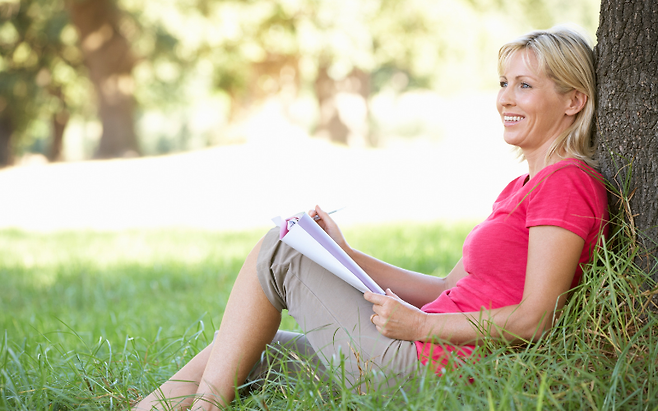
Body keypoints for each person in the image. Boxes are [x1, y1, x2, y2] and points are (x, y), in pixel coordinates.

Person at [134, 25, 609, 411]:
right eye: (503, 83)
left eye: (524, 85)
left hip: (429, 368)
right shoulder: (522, 187)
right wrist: (343, 254)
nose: (505, 98)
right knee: (246, 346)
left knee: (279, 247)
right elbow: (445, 288)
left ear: (573, 100)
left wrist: (420, 328)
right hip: (413, 352)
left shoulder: (566, 181)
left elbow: (535, 318)